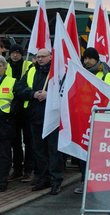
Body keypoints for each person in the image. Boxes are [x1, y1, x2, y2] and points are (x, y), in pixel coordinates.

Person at [16, 49, 64, 195]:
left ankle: (56, 180)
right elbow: (18, 89)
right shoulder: (31, 71)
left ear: (51, 57)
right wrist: (33, 94)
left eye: (43, 56)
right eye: (38, 57)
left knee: (53, 151)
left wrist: (49, 95)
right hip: (35, 116)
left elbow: (65, 91)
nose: (40, 59)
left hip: (52, 118)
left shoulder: (58, 72)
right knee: (39, 151)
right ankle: (43, 179)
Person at [73, 47, 110, 194]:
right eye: (85, 58)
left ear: (96, 59)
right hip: (84, 118)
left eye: (89, 58)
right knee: (84, 152)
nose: (86, 61)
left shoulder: (106, 73)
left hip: (101, 118)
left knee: (99, 153)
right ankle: (84, 180)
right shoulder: (81, 73)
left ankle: (99, 180)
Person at [6, 44, 34, 183]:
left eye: (18, 52)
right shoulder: (6, 65)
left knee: (29, 140)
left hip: (26, 108)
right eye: (13, 53)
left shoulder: (28, 64)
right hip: (11, 110)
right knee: (14, 141)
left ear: (22, 54)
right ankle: (17, 169)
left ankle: (28, 170)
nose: (15, 55)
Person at [0, 55, 19, 192]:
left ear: (4, 67)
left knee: (4, 153)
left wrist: (9, 113)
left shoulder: (12, 82)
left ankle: (2, 181)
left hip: (4, 123)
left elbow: (18, 101)